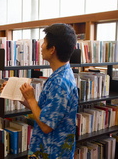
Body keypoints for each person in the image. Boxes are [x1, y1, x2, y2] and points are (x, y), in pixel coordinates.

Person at [20, 23, 78, 159]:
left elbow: (46, 126)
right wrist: (22, 97)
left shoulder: (59, 82)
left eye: (44, 42)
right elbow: (44, 113)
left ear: (52, 49)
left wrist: (32, 99)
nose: (41, 46)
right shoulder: (61, 74)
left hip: (51, 151)